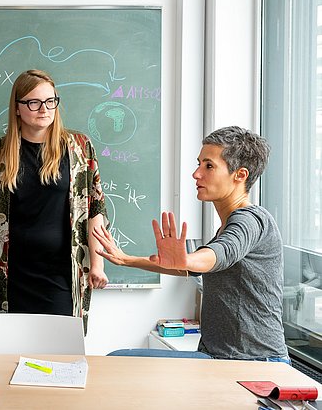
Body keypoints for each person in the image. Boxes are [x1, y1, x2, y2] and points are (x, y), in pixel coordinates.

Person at [93, 126, 289, 362]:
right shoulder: (228, 223)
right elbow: (190, 265)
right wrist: (127, 259)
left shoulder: (250, 220)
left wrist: (188, 260)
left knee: (118, 360)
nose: (196, 174)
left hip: (254, 364)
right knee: (118, 361)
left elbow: (221, 253)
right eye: (199, 164)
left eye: (208, 166)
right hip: (219, 357)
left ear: (240, 175)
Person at [0, 69, 109, 326]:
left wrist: (98, 264)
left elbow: (93, 210)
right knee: (11, 351)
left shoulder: (80, 148)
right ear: (17, 107)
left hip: (63, 275)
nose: (44, 109)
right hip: (11, 276)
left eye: (50, 101)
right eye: (33, 102)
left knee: (61, 354)